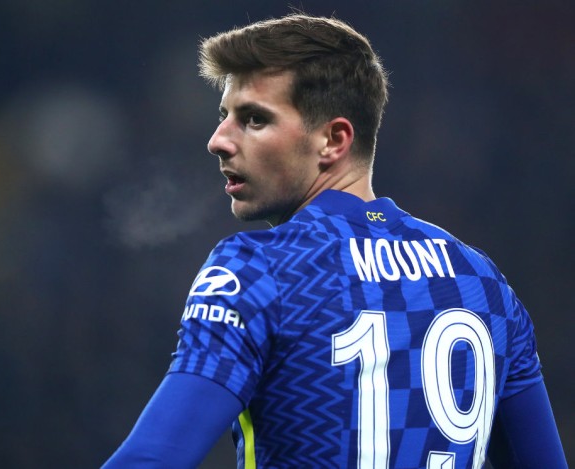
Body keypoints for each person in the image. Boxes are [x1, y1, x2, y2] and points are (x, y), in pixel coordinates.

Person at [103, 13, 567, 468]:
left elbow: (153, 458)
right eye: (224, 116)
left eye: (254, 119)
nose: (218, 140)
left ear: (333, 140)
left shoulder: (259, 272)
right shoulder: (481, 283)